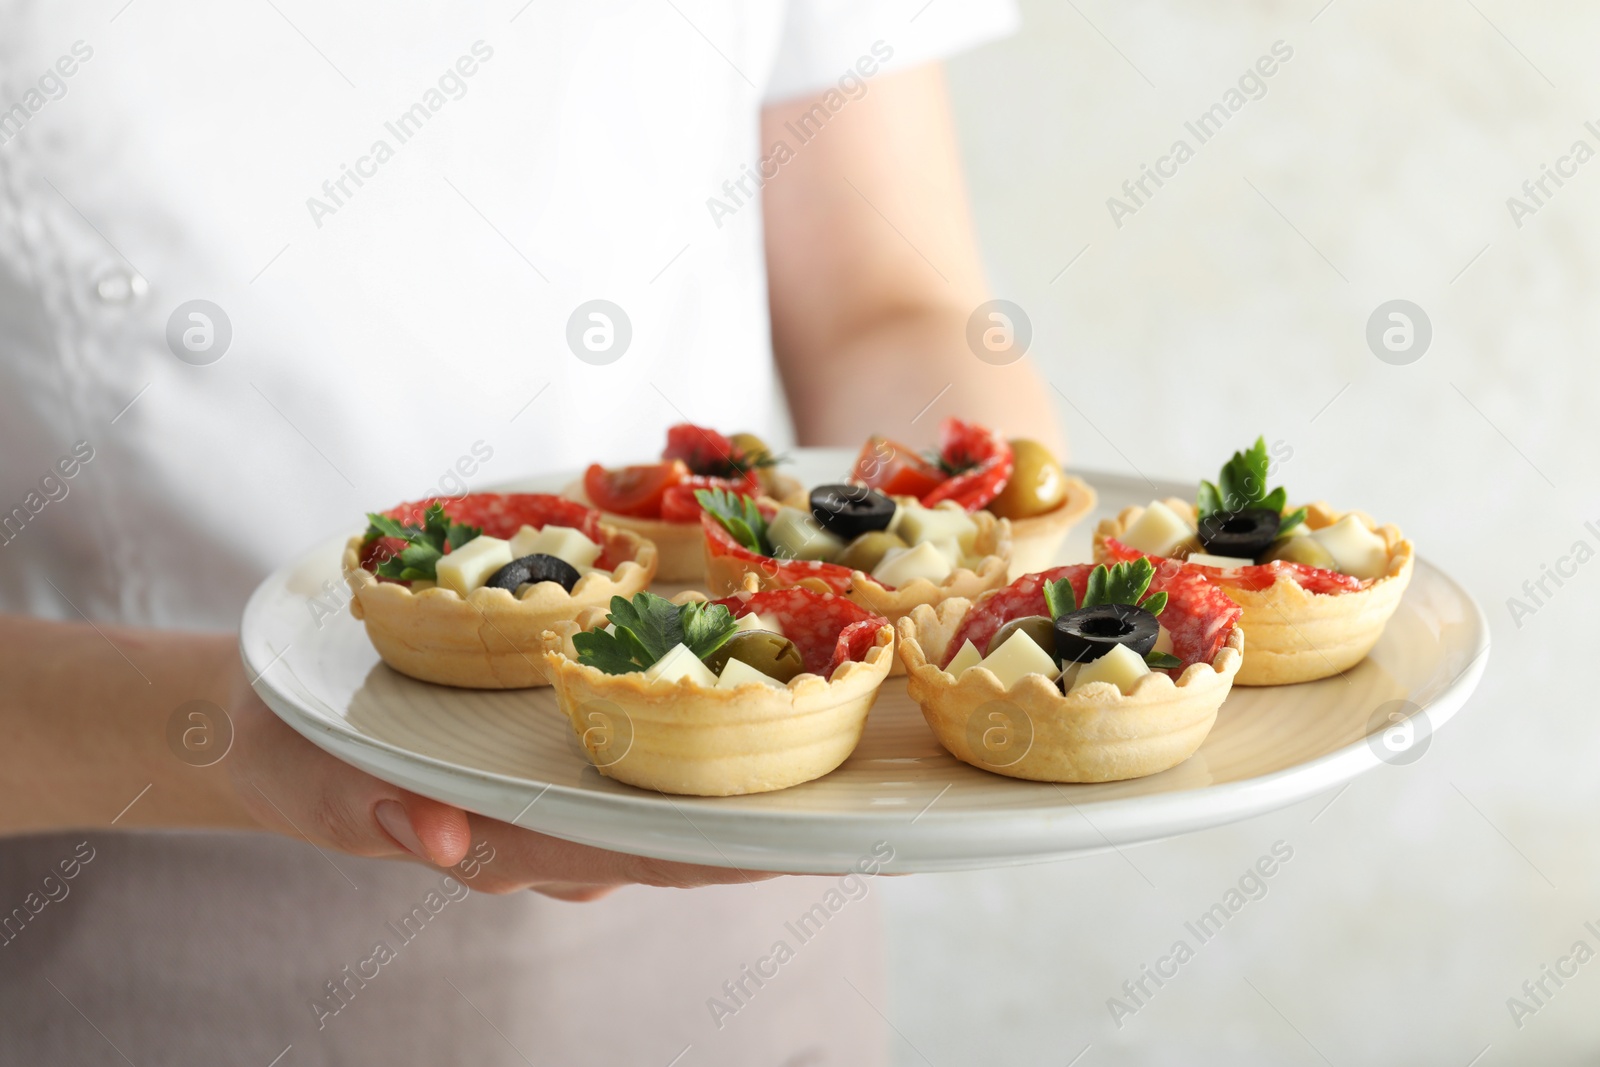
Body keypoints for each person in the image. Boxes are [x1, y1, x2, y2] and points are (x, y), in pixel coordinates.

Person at [0, 2, 1059, 1062]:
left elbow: (878, 302)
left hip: (746, 882)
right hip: (152, 927)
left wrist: (968, 561)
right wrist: (227, 727)